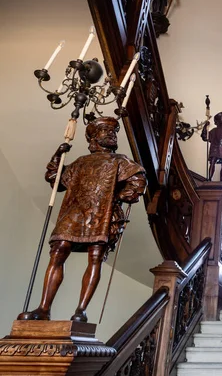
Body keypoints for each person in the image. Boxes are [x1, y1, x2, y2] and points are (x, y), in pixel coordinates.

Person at [19, 117, 147, 322]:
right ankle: (44, 308)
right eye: (105, 130)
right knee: (59, 250)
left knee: (95, 256)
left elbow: (138, 180)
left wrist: (121, 197)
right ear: (93, 137)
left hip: (102, 213)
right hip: (74, 211)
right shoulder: (80, 162)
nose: (112, 134)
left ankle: (81, 310)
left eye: (113, 131)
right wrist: (58, 155)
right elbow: (56, 180)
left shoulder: (120, 161)